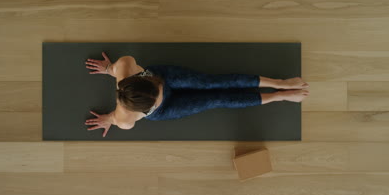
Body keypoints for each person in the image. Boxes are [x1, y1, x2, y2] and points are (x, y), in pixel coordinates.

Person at [85, 52, 309, 137]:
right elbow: (114, 118)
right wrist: (108, 119)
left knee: (212, 83)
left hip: (165, 75)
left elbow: (115, 69)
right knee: (216, 98)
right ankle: (278, 96)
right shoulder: (124, 119)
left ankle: (279, 83)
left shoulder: (125, 65)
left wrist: (107, 69)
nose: (159, 91)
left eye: (155, 87)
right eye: (156, 94)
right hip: (166, 109)